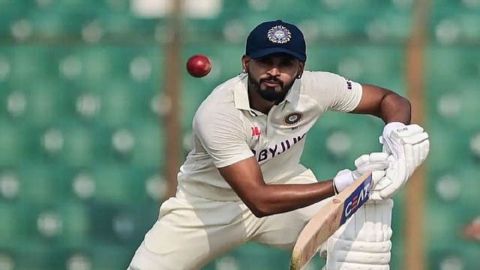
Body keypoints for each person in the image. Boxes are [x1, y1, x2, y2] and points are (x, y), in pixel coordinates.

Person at [127, 20, 429, 270]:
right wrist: (342, 184)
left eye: (285, 63)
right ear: (246, 64)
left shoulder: (317, 87)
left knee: (360, 236)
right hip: (206, 207)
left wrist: (395, 132)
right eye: (265, 61)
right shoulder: (219, 113)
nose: (274, 71)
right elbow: (259, 201)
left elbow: (390, 100)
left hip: (286, 187)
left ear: (300, 68)